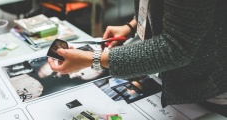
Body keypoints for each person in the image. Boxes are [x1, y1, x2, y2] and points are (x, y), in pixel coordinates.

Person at [48, 0, 227, 117]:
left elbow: (175, 48)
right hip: (177, 79)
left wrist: (93, 59)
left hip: (211, 85)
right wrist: (132, 26)